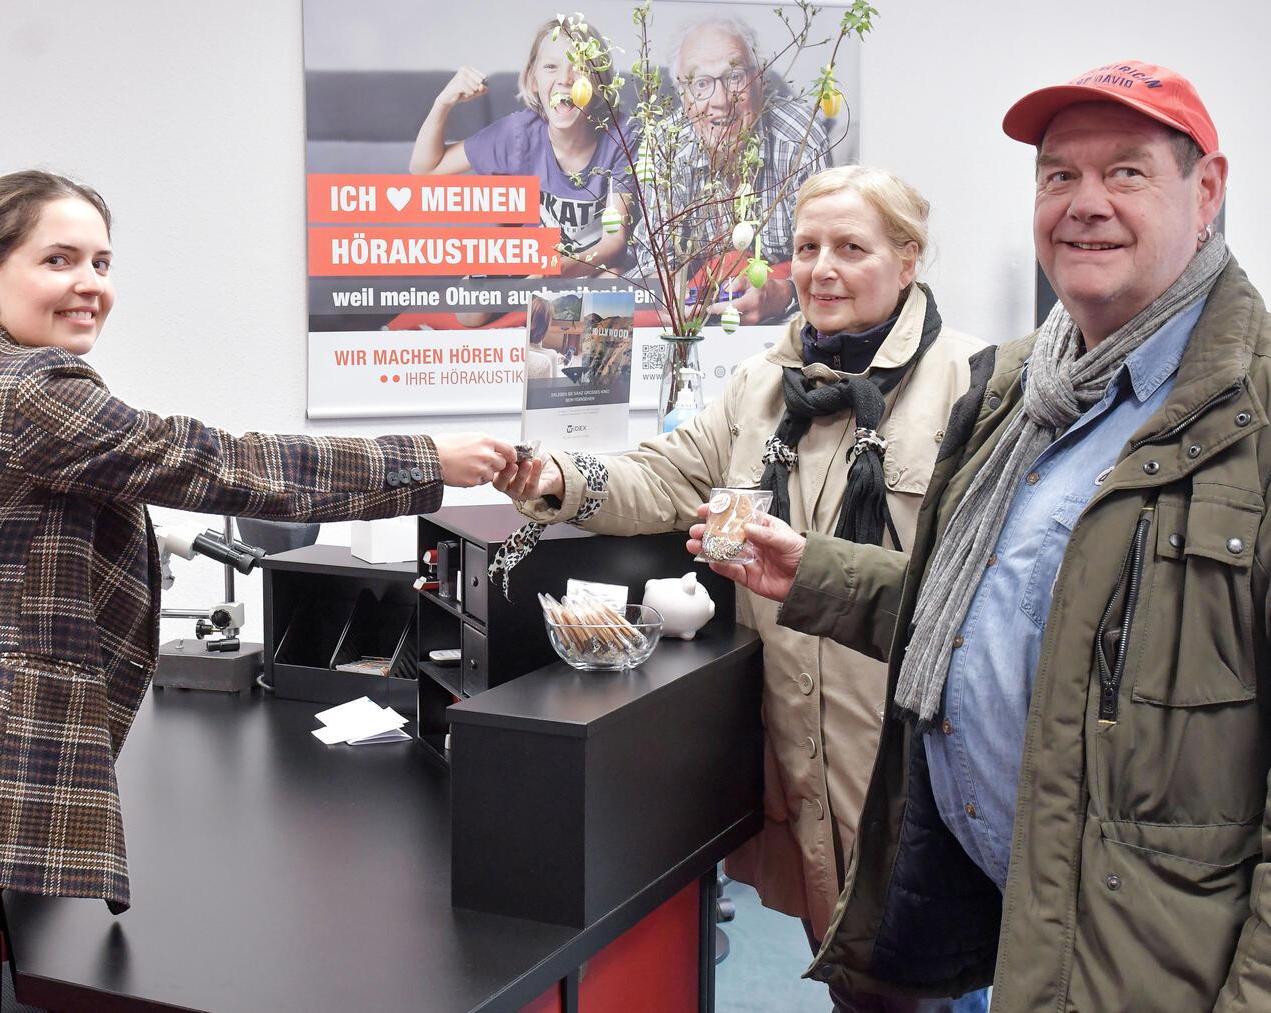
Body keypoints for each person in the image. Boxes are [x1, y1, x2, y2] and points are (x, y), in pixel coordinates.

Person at [699, 61, 1269, 1011]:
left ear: (1206, 190)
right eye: (1059, 175)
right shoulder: (1019, 390)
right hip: (994, 910)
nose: (1085, 204)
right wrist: (818, 573)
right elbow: (982, 617)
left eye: (1126, 172)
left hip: (1153, 963)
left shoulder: (1251, 418)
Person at [0, 170, 518, 1011]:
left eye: (101, 262)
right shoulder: (32, 391)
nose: (90, 284)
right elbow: (218, 462)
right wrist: (426, 460)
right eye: (59, 260)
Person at [497, 165, 987, 1013]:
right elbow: (665, 476)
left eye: (851, 247)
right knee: (855, 986)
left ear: (908, 259)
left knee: (936, 991)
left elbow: (984, 590)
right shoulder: (762, 385)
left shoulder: (970, 385)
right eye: (807, 247)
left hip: (914, 783)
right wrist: (558, 477)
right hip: (804, 767)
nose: (821, 268)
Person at [630, 16, 833, 326]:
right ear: (683, 95)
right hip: (696, 314)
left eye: (735, 77)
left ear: (760, 79)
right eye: (701, 84)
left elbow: (825, 257)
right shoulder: (664, 147)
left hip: (789, 311)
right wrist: (674, 304)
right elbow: (654, 263)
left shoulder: (800, 140)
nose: (721, 101)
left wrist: (784, 293)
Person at [410, 19, 632, 278]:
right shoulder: (518, 134)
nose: (565, 79)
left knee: (614, 277)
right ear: (532, 79)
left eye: (581, 67)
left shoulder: (621, 137)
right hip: (534, 268)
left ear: (599, 82)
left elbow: (614, 241)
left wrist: (555, 269)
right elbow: (425, 169)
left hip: (594, 269)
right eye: (551, 67)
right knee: (468, 297)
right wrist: (443, 102)